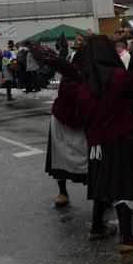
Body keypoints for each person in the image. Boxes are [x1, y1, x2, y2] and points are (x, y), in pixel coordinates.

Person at [75, 35, 133, 253]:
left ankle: (97, 227)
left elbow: (80, 116)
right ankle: (127, 238)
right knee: (123, 187)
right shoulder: (118, 77)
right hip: (119, 139)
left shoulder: (84, 86)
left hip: (95, 145)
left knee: (102, 185)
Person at [44, 49, 87, 207]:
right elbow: (75, 92)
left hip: (84, 120)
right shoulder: (71, 77)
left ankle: (100, 193)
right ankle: (62, 191)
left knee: (92, 157)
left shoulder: (91, 75)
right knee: (60, 156)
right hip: (63, 120)